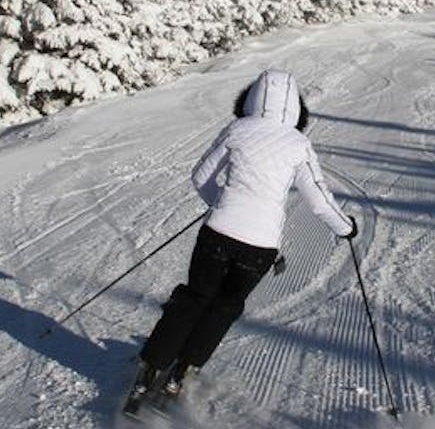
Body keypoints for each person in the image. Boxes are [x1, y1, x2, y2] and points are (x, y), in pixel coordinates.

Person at [129, 69, 357, 406]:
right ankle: (183, 371)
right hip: (259, 248)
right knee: (225, 307)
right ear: (296, 108)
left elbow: (200, 177)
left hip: (218, 233)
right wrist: (346, 228)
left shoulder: (238, 129)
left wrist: (219, 201)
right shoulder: (299, 145)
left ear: (250, 97)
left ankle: (150, 370)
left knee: (193, 299)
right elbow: (319, 200)